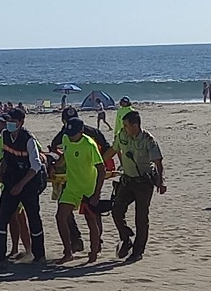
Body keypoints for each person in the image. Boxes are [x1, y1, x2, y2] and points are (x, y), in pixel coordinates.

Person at [103, 111, 166, 264]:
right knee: (116, 210)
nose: (124, 128)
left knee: (141, 217)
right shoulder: (122, 135)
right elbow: (112, 150)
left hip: (144, 183)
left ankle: (138, 252)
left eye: (126, 126)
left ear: (135, 126)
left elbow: (158, 162)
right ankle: (126, 238)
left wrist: (161, 181)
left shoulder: (148, 140)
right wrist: (98, 162)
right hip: (127, 180)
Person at [50, 106, 112, 253]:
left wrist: (97, 162)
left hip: (90, 179)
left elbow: (54, 147)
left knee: (91, 215)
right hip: (74, 179)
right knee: (66, 212)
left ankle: (86, 243)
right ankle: (83, 243)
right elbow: (108, 148)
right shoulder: (67, 134)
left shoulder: (87, 139)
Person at [0, 108, 46, 270]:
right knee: (1, 220)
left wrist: (21, 185)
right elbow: (6, 158)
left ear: (21, 123)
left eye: (13, 122)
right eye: (8, 121)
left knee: (33, 219)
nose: (9, 125)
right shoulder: (5, 136)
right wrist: (0, 172)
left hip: (29, 184)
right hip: (10, 182)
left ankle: (39, 256)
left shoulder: (29, 139)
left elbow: (36, 165)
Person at [0, 114, 32, 260]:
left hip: (21, 184)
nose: (1, 126)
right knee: (12, 218)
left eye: (3, 123)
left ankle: (27, 249)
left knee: (20, 217)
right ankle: (15, 249)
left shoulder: (24, 138)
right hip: (6, 185)